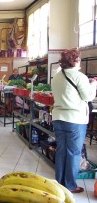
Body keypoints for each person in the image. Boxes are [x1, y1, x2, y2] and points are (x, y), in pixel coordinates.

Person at [51, 48, 97, 193]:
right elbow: (88, 97)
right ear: (75, 60)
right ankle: (70, 185)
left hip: (58, 118)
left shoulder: (57, 76)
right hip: (75, 120)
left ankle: (60, 183)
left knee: (61, 151)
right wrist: (94, 83)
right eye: (79, 59)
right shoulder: (80, 76)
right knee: (73, 153)